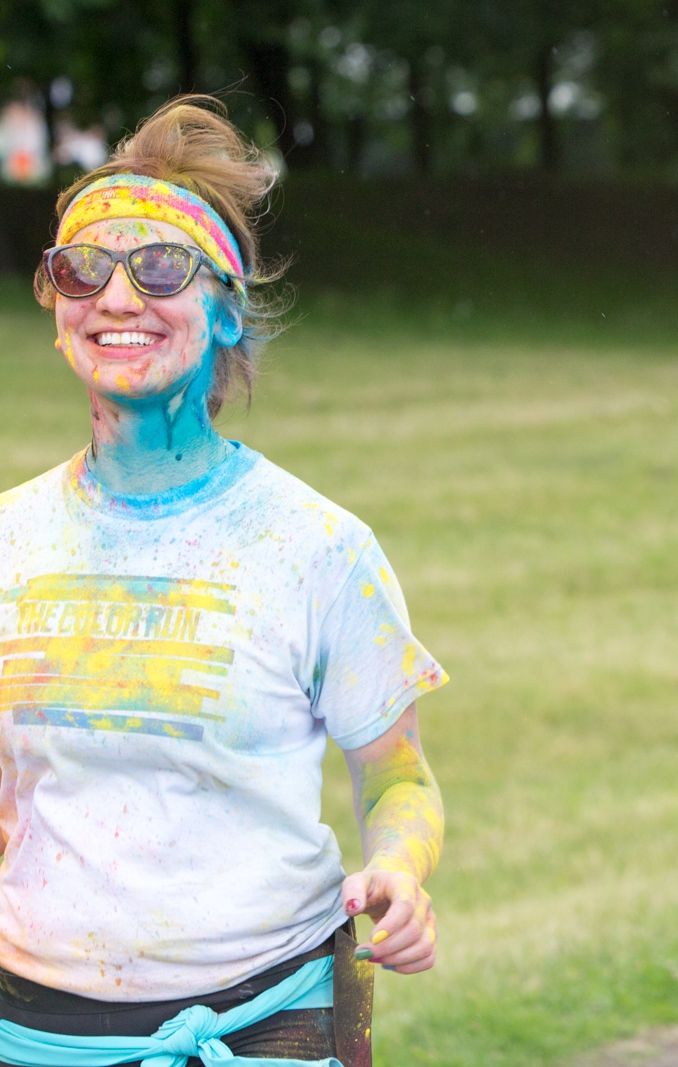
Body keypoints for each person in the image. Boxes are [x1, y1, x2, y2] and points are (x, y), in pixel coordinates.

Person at [0, 96, 446, 1066]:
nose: (116, 299)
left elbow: (399, 773)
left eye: (159, 267)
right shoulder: (10, 541)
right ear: (54, 302)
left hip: (268, 1018)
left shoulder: (315, 545)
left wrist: (399, 872)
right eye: (83, 267)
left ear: (226, 304)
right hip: (32, 1028)